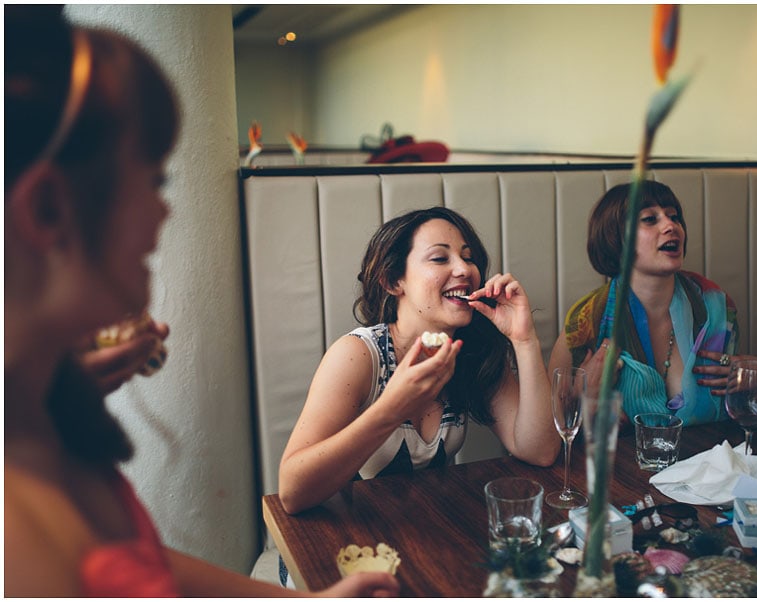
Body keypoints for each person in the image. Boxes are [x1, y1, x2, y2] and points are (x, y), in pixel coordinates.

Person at [4, 7, 398, 597]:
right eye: (153, 181)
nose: (166, 211)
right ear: (48, 210)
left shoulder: (37, 415)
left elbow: (137, 564)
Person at [278, 207, 559, 514]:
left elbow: (540, 451)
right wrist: (391, 409)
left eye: (468, 257)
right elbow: (293, 493)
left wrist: (524, 339)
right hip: (346, 540)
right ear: (393, 281)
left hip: (426, 534)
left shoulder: (474, 350)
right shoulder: (358, 355)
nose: (464, 269)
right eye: (440, 258)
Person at [548, 180, 754, 426]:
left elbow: (739, 416)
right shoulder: (586, 320)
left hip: (708, 459)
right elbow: (553, 432)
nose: (670, 226)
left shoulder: (717, 308)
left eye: (674, 217)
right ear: (616, 238)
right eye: (649, 219)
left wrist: (754, 377)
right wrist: (587, 396)